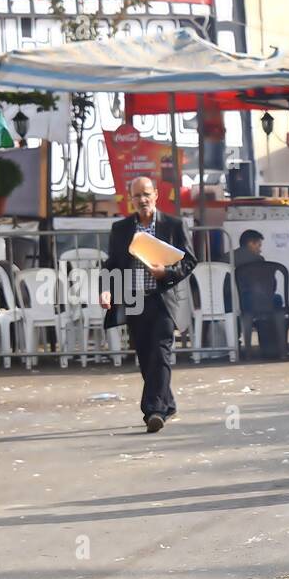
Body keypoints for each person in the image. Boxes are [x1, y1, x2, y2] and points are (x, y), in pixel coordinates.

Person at [98, 176, 196, 433]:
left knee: (161, 352)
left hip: (164, 300)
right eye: (136, 196)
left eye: (146, 194)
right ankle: (169, 402)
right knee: (145, 356)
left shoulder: (174, 225)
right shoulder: (121, 229)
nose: (142, 200)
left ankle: (154, 410)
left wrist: (167, 273)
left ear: (156, 196)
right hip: (134, 301)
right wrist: (107, 291)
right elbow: (111, 265)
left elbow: (188, 261)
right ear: (130, 199)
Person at [232, 229, 289, 356]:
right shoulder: (258, 259)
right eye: (259, 245)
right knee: (277, 299)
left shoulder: (227, 257)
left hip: (237, 301)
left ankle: (248, 350)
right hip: (257, 301)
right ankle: (281, 348)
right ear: (251, 243)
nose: (260, 249)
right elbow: (270, 286)